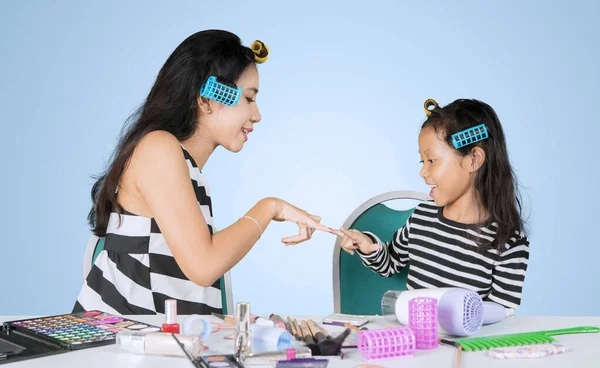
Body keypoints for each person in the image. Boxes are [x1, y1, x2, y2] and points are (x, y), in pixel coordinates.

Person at [74, 30, 332, 315]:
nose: (257, 114)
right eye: (248, 98)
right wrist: (270, 207)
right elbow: (204, 266)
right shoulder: (158, 149)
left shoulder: (183, 166)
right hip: (111, 351)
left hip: (153, 348)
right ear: (208, 99)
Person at [339, 99, 530, 314]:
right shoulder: (423, 216)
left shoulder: (509, 244)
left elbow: (500, 315)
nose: (423, 172)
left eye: (432, 160)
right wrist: (368, 245)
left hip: (465, 347)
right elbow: (390, 262)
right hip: (416, 343)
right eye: (423, 162)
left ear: (473, 159)